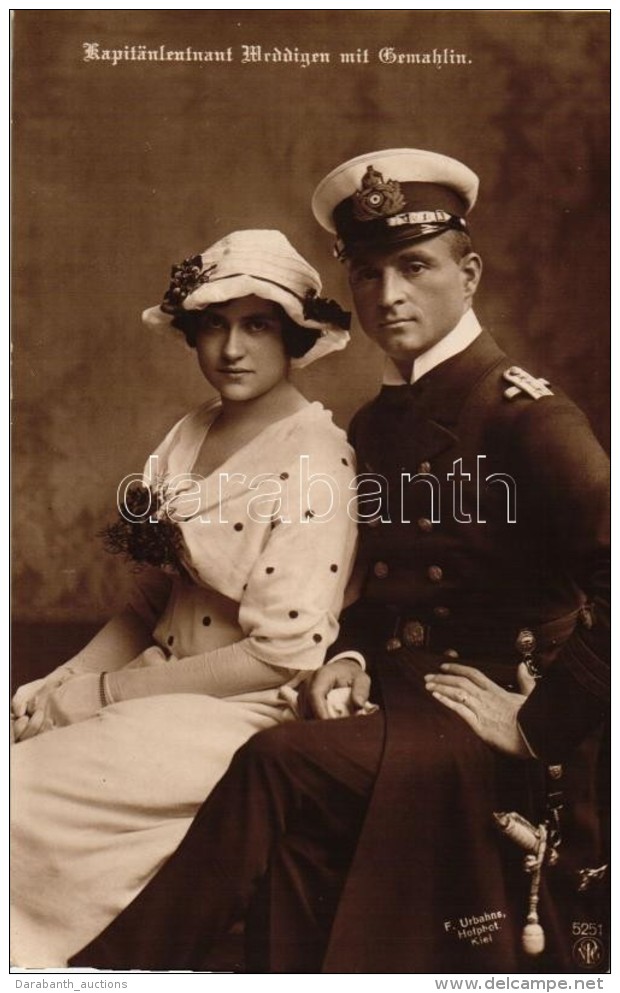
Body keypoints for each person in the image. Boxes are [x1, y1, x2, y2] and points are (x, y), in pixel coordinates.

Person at [70, 150, 610, 974]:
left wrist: (534, 725)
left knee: (276, 764)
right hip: (397, 691)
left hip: (491, 715)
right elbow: (375, 579)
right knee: (298, 841)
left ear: (467, 274)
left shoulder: (528, 418)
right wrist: (353, 650)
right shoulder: (380, 422)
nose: (390, 295)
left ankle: (111, 974)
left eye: (415, 267)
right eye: (369, 272)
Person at [10, 229, 358, 968]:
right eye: (214, 323)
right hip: (151, 682)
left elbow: (277, 654)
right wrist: (63, 680)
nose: (233, 347)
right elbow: (147, 601)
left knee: (19, 796)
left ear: (295, 336)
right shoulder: (187, 434)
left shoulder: (317, 458)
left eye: (258, 324)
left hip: (238, 715)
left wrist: (105, 694)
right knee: (17, 733)